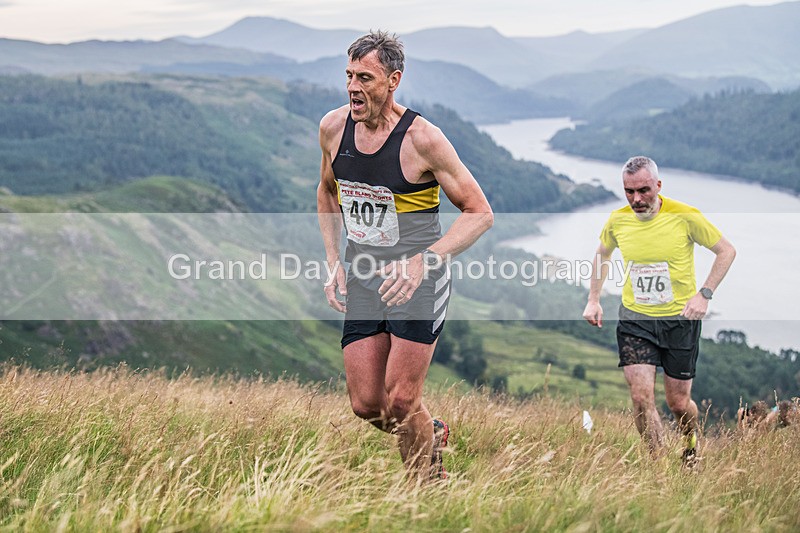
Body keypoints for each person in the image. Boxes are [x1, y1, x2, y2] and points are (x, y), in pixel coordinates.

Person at [316, 31, 493, 481]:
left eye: (366, 79)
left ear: (394, 80)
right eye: (349, 76)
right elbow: (326, 190)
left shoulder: (423, 139)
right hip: (363, 273)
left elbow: (479, 213)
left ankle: (427, 490)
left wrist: (424, 261)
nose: (354, 88)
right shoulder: (333, 128)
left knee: (399, 400)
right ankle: (430, 431)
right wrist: (334, 259)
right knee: (366, 405)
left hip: (419, 278)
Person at [582, 156, 736, 465]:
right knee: (640, 397)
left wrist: (704, 295)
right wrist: (593, 298)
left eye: (644, 190)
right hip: (635, 320)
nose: (636, 199)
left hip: (680, 321)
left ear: (658, 186)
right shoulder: (618, 219)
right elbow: (602, 254)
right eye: (629, 191)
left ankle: (690, 446)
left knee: (678, 403)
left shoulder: (685, 216)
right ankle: (656, 466)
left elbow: (726, 251)